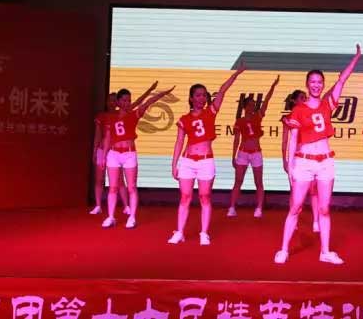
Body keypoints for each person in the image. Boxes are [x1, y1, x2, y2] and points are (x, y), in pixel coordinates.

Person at [274, 44, 361, 264]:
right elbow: (293, 138)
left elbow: (342, 81)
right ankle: (283, 249)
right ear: (307, 84)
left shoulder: (327, 104)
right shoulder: (298, 110)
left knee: (324, 209)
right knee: (295, 207)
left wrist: (356, 58)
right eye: (312, 82)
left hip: (325, 163)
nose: (316, 85)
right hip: (303, 162)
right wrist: (290, 166)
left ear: (323, 84)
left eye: (319, 82)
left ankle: (325, 252)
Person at [167, 64, 246, 245]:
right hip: (187, 161)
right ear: (191, 98)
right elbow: (179, 142)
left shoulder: (210, 112)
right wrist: (174, 164)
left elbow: (222, 90)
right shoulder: (184, 119)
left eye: (204, 95)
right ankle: (180, 232)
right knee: (185, 197)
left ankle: (204, 233)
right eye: (198, 95)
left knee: (205, 196)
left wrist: (236, 74)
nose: (201, 98)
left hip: (205, 161)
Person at [98, 85, 175, 229]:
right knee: (113, 187)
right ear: (118, 102)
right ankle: (111, 217)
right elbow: (107, 137)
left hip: (129, 154)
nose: (127, 103)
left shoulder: (134, 114)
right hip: (113, 154)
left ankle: (132, 217)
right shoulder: (111, 117)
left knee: (132, 187)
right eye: (124, 100)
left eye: (129, 100)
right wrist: (103, 156)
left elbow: (148, 102)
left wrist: (163, 94)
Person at [90, 82, 157, 215]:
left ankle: (126, 206)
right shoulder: (102, 116)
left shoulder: (123, 114)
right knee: (99, 179)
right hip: (103, 149)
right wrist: (95, 151)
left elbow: (139, 102)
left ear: (117, 102)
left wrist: (150, 90)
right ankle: (98, 206)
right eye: (109, 100)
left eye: (114, 100)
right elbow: (99, 135)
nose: (112, 102)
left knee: (120, 180)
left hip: (117, 151)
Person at [228, 75, 280, 218]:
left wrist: (273, 87)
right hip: (243, 153)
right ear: (244, 107)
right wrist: (233, 156)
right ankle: (232, 207)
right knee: (238, 181)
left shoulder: (258, 116)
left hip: (256, 153)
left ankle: (259, 208)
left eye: (253, 105)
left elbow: (266, 102)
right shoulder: (239, 121)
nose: (252, 107)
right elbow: (236, 139)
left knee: (259, 182)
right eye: (250, 105)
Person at [282, 90, 320, 232]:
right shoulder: (287, 118)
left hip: (310, 155)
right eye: (302, 98)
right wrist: (285, 160)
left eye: (305, 97)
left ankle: (316, 221)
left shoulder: (310, 114)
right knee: (295, 192)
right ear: (294, 100)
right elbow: (285, 141)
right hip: (296, 158)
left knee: (314, 190)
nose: (305, 100)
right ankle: (294, 219)